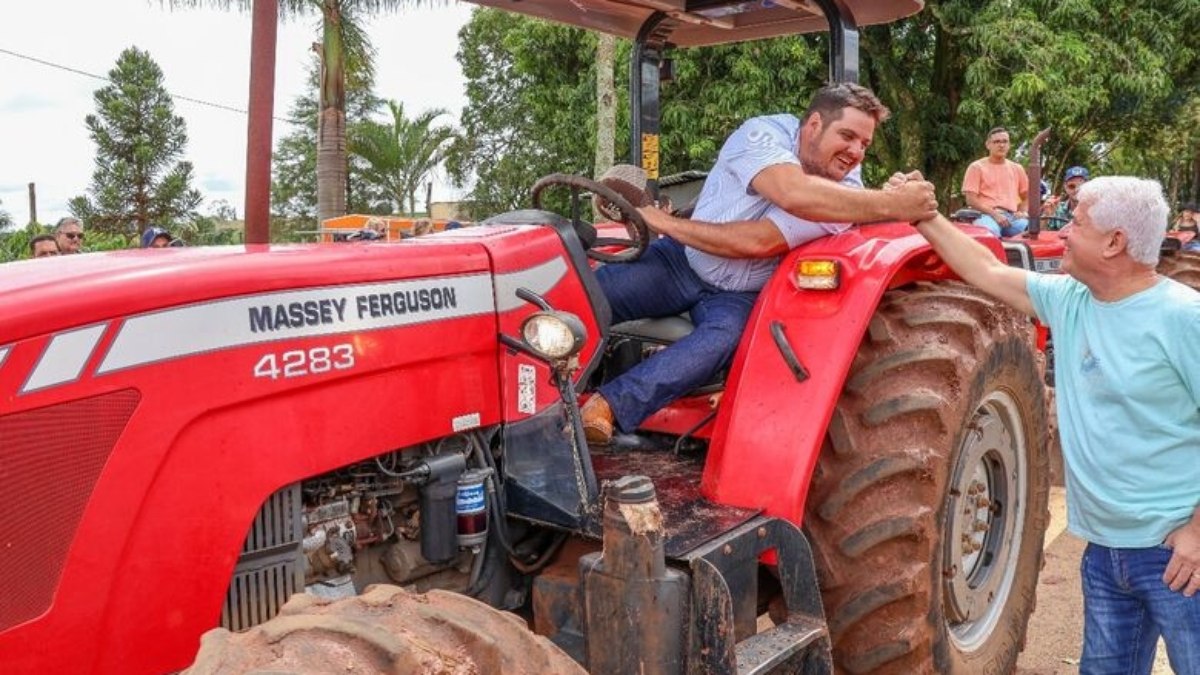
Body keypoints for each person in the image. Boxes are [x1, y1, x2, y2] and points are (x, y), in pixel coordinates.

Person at [908, 173, 1200, 673]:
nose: (1064, 233)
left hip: (1177, 556)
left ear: (1115, 242)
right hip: (1106, 554)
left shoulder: (1183, 317)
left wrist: (1198, 532)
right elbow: (984, 269)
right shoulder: (1070, 299)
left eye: (1078, 224)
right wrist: (923, 216)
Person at [579, 82, 938, 444]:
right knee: (585, 296)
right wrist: (894, 202)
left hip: (740, 294)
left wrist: (664, 222)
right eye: (848, 136)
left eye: (865, 145)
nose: (855, 152)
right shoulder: (760, 133)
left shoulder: (847, 193)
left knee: (720, 342)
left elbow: (759, 240)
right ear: (813, 124)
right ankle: (540, 387)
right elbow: (789, 190)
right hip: (682, 261)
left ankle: (606, 406)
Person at [961, 127, 1030, 237]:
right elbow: (971, 200)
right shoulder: (976, 167)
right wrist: (994, 214)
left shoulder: (1017, 168)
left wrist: (1023, 212)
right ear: (988, 145)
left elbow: (1026, 196)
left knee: (1032, 232)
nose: (1001, 145)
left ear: (1009, 145)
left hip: (1011, 217)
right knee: (990, 233)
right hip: (985, 215)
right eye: (997, 142)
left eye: (1005, 141)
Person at [1043, 166, 1090, 230]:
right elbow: (1039, 234)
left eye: (1082, 186)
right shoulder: (1055, 209)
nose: (1076, 190)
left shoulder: (1095, 210)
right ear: (1065, 187)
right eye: (1071, 186)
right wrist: (1046, 216)